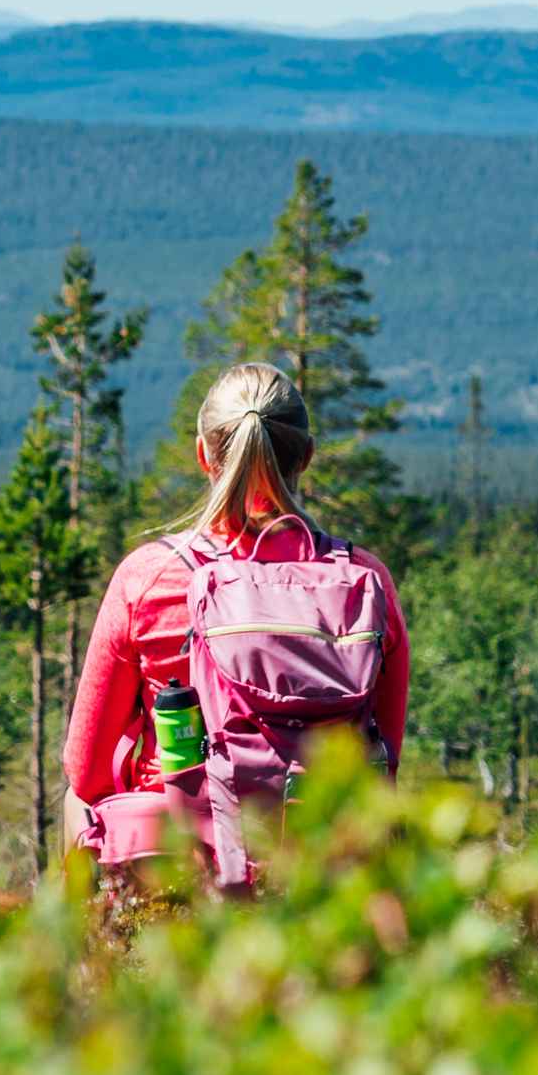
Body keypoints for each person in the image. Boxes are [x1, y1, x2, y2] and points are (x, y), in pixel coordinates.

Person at [62, 361, 410, 851]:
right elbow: (386, 759)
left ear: (204, 454)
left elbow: (88, 770)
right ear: (306, 456)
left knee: (74, 800)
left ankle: (81, 927)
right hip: (322, 859)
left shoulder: (149, 579)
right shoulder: (365, 581)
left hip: (180, 855)